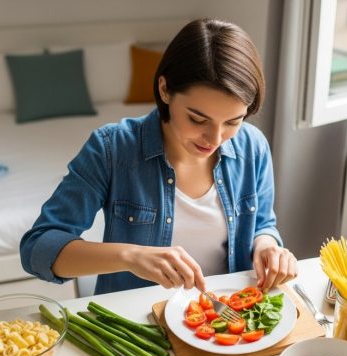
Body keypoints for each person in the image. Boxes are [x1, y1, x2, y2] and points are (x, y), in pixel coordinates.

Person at [20, 18, 297, 295]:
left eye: (232, 122)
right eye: (197, 119)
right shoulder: (112, 149)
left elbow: (262, 223)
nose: (215, 139)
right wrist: (131, 257)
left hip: (226, 320)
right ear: (165, 90)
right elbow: (37, 248)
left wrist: (268, 246)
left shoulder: (253, 147)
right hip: (138, 327)